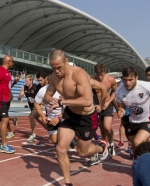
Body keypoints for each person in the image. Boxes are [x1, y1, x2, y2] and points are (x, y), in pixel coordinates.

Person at [44, 49, 108, 186]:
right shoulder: (54, 78)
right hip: (70, 115)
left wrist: (62, 102)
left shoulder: (79, 74)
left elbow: (87, 101)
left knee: (82, 152)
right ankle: (68, 183)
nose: (56, 71)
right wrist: (52, 101)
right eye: (53, 68)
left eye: (59, 67)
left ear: (66, 61)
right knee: (60, 149)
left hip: (87, 117)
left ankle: (101, 147)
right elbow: (46, 96)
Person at [115, 66, 150, 157]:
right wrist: (120, 110)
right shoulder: (119, 91)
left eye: (130, 80)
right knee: (135, 146)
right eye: (125, 80)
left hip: (149, 118)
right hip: (133, 121)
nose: (127, 83)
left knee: (139, 142)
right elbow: (121, 107)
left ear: (136, 78)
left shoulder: (147, 86)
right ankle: (143, 162)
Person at [92, 63, 118, 156]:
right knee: (102, 128)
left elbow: (115, 91)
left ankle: (111, 143)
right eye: (97, 74)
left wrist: (108, 102)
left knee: (107, 127)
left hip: (107, 105)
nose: (99, 77)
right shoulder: (92, 80)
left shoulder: (110, 80)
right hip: (97, 107)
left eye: (101, 74)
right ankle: (105, 143)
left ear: (105, 72)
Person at [18, 71, 47, 142]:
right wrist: (20, 96)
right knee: (41, 120)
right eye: (25, 81)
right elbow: (19, 98)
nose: (26, 83)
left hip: (37, 106)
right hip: (32, 107)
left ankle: (33, 135)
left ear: (31, 81)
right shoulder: (24, 88)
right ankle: (52, 130)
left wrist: (41, 105)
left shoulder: (36, 88)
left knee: (31, 117)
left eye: (27, 81)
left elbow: (41, 97)